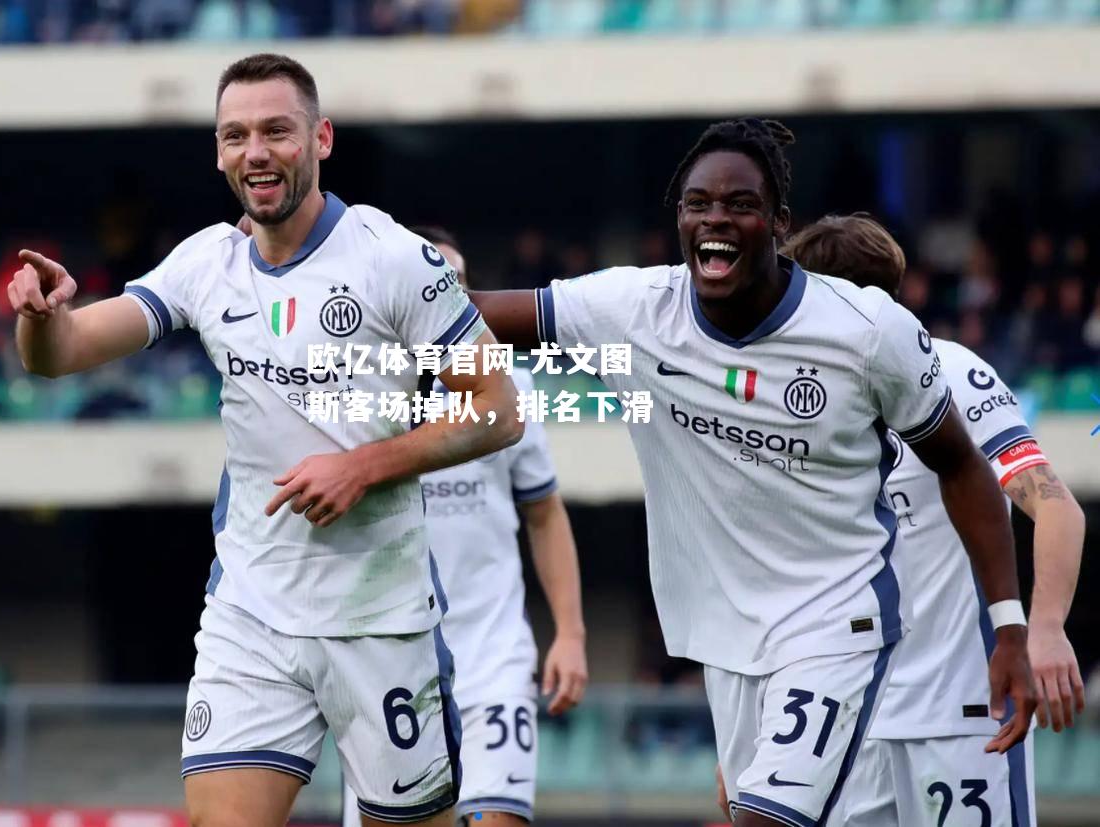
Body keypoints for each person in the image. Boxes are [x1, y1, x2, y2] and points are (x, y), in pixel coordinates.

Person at [468, 118, 1036, 827]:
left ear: (777, 222)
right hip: (725, 639)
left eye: (740, 203)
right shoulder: (637, 309)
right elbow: (483, 316)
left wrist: (1010, 625)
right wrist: (379, 301)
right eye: (697, 203)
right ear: (678, 218)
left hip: (839, 624)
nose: (716, 218)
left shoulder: (866, 332)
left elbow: (963, 464)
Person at [6, 53, 524, 827]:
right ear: (218, 153)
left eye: (277, 130)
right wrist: (39, 317)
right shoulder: (205, 263)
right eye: (236, 135)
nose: (256, 152)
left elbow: (500, 408)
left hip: (379, 616)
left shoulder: (393, 259)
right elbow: (62, 355)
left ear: (321, 139)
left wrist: (364, 467)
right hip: (251, 611)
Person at [776, 213, 1086, 827]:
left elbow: (1055, 505)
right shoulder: (793, 402)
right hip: (846, 724)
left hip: (960, 716)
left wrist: (1044, 630)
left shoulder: (953, 375)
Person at [340, 226, 589, 827]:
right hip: (389, 669)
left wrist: (572, 634)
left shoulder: (511, 388)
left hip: (493, 660)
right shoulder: (357, 395)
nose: (446, 298)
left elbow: (545, 512)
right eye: (433, 286)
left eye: (458, 285)